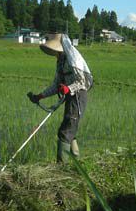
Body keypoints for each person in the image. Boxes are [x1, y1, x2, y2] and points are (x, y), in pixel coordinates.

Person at [28, 33, 93, 163]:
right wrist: (40, 96)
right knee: (69, 129)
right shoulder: (61, 61)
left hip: (78, 96)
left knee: (65, 131)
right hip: (70, 97)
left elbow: (83, 82)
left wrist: (69, 88)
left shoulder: (73, 59)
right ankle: (76, 162)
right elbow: (56, 84)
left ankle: (61, 166)